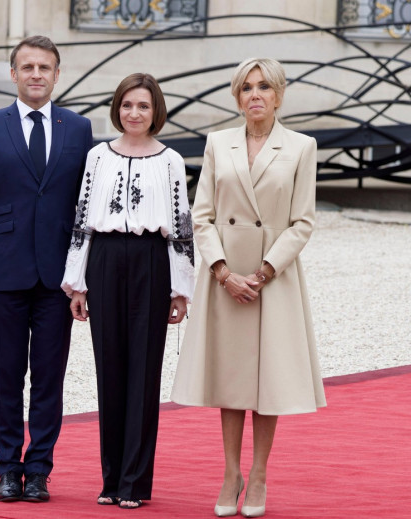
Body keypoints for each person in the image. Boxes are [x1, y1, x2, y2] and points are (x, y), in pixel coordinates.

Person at [170, 57, 327, 518]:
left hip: (271, 279)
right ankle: (230, 472)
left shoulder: (301, 147)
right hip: (226, 276)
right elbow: (201, 216)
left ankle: (258, 474)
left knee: (269, 378)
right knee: (232, 378)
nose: (254, 95)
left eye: (263, 87)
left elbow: (303, 222)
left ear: (278, 95)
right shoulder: (218, 143)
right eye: (246, 88)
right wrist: (223, 272)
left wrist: (263, 273)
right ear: (237, 97)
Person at [0, 35, 93, 503]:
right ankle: (8, 469)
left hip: (58, 278)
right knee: (7, 375)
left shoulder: (78, 129)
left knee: (50, 379)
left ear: (58, 74)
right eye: (28, 67)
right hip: (3, 274)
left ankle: (39, 470)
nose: (37, 74)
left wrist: (81, 275)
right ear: (13, 74)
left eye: (46, 67)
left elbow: (85, 209)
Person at [61, 73, 194, 510]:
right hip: (103, 262)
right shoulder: (97, 156)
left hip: (151, 262)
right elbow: (81, 218)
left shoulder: (171, 160)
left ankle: (135, 483)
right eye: (126, 105)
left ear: (156, 111)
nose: (133, 113)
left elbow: (181, 226)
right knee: (110, 370)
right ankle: (111, 478)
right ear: (116, 109)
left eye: (142, 106)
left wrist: (181, 289)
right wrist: (76, 282)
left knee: (143, 373)